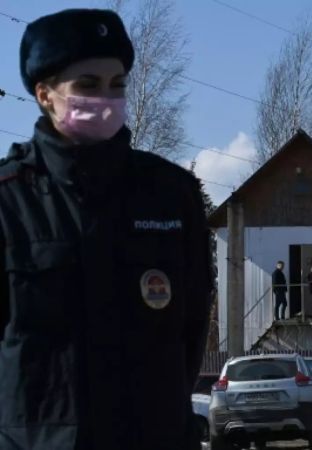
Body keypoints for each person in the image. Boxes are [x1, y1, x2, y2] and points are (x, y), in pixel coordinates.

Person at [0, 9, 214, 450]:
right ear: (44, 94)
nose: (105, 100)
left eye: (117, 85)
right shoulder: (9, 201)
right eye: (87, 85)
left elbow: (190, 330)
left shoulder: (171, 195)